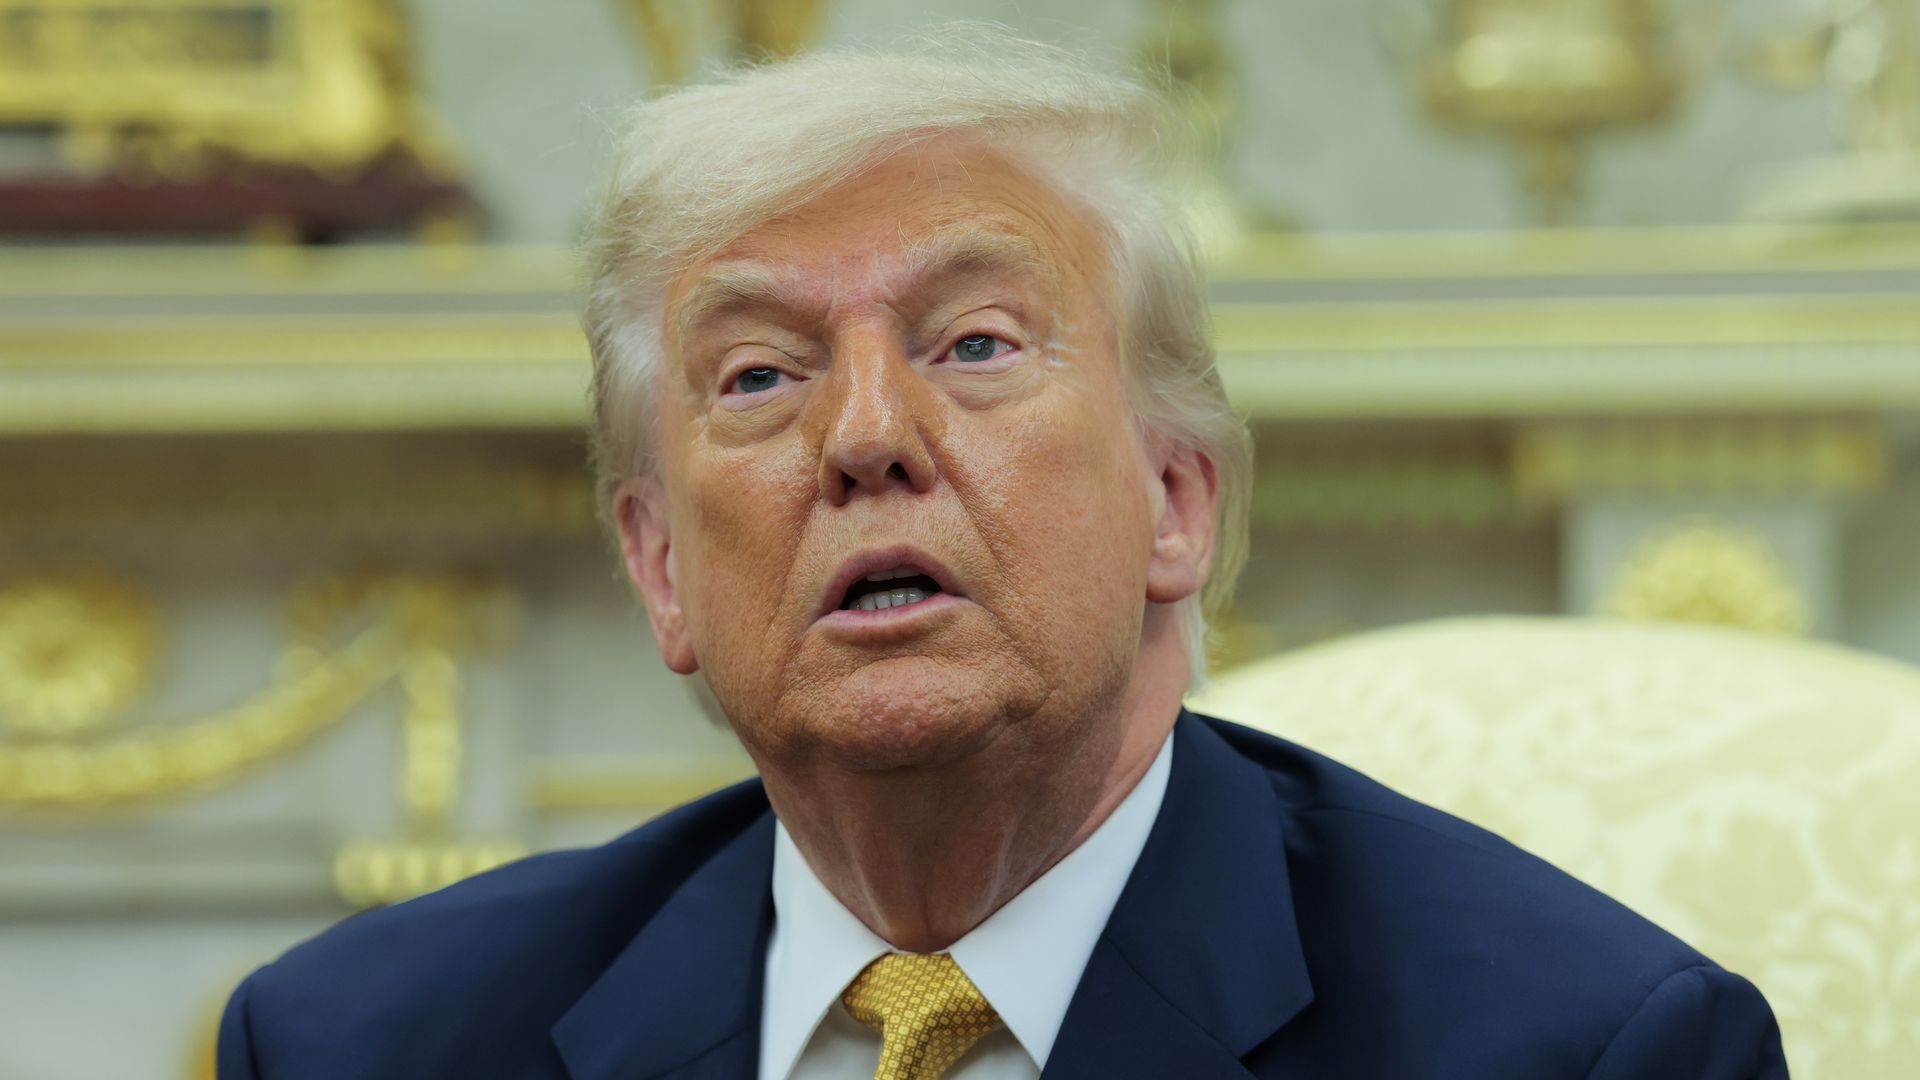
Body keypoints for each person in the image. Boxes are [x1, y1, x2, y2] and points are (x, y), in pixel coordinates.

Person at [217, 29, 1788, 1080]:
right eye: (759, 375)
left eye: (973, 342)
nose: (864, 434)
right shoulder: (368, 1044)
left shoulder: (1577, 1051)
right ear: (662, 570)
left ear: (1177, 499)